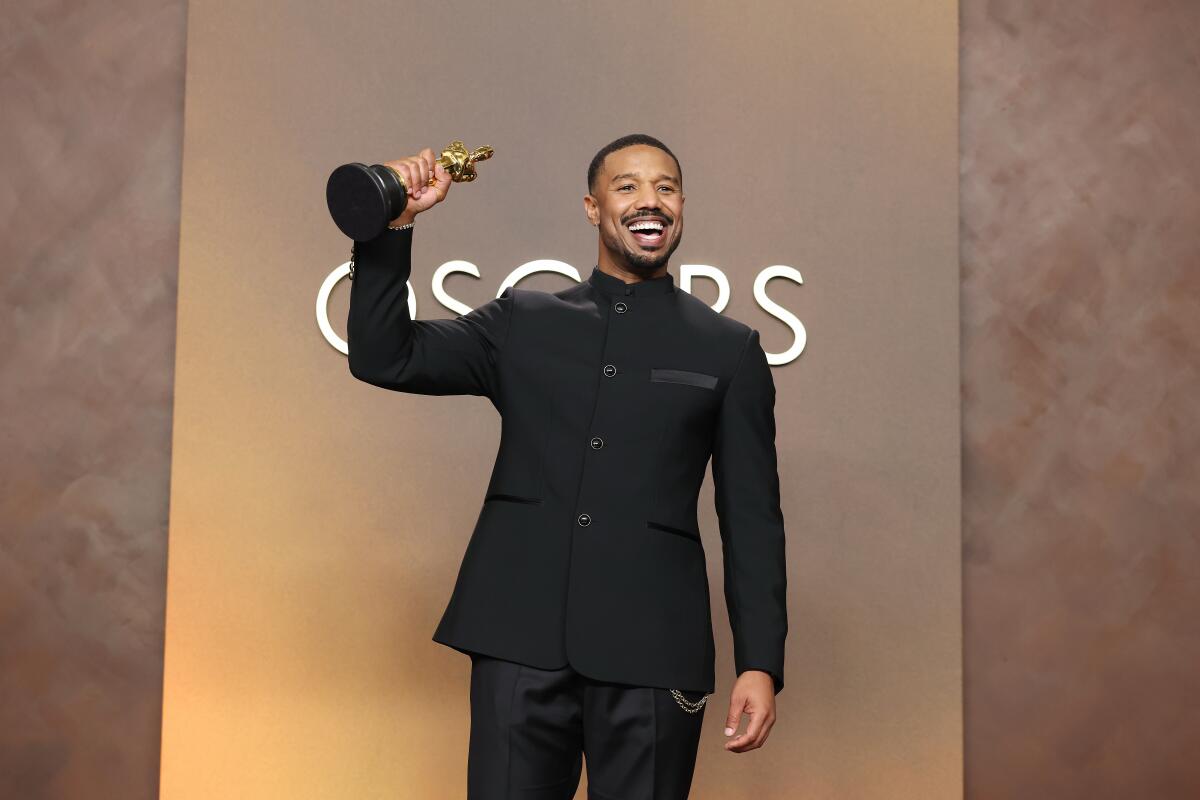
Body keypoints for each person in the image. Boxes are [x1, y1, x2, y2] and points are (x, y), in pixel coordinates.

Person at [346, 133, 787, 799]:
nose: (650, 200)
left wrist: (760, 663)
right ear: (592, 208)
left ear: (682, 207)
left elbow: (752, 520)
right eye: (627, 186)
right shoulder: (523, 320)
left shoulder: (729, 349)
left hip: (654, 651)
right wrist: (393, 227)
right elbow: (385, 356)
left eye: (666, 188)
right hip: (517, 638)